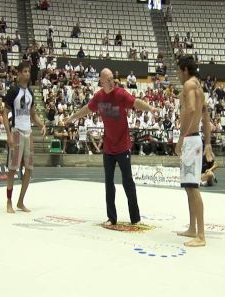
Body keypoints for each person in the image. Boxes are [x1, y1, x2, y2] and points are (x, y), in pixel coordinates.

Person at [65, 68, 158, 226]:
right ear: (101, 81)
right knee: (109, 183)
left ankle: (135, 218)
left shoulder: (121, 94)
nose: (111, 81)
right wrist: (72, 117)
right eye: (107, 79)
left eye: (112, 79)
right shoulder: (99, 97)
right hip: (108, 148)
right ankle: (111, 217)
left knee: (128, 182)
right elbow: (87, 108)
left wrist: (150, 108)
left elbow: (135, 102)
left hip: (123, 146)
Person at [175, 55, 214, 247]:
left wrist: (181, 138)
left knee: (193, 187)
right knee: (190, 187)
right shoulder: (199, 87)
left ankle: (201, 235)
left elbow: (190, 110)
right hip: (196, 138)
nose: (178, 75)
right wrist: (208, 143)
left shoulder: (188, 86)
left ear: (184, 69)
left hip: (190, 139)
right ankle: (193, 228)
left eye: (178, 71)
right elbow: (205, 116)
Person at [2, 61, 46, 214]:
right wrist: (9, 135)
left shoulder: (31, 93)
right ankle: (9, 201)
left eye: (29, 71)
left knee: (29, 169)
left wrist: (41, 125)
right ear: (19, 73)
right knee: (12, 169)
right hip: (16, 131)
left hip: (28, 133)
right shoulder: (13, 91)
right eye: (25, 71)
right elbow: (4, 114)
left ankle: (21, 201)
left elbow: (33, 114)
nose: (28, 74)